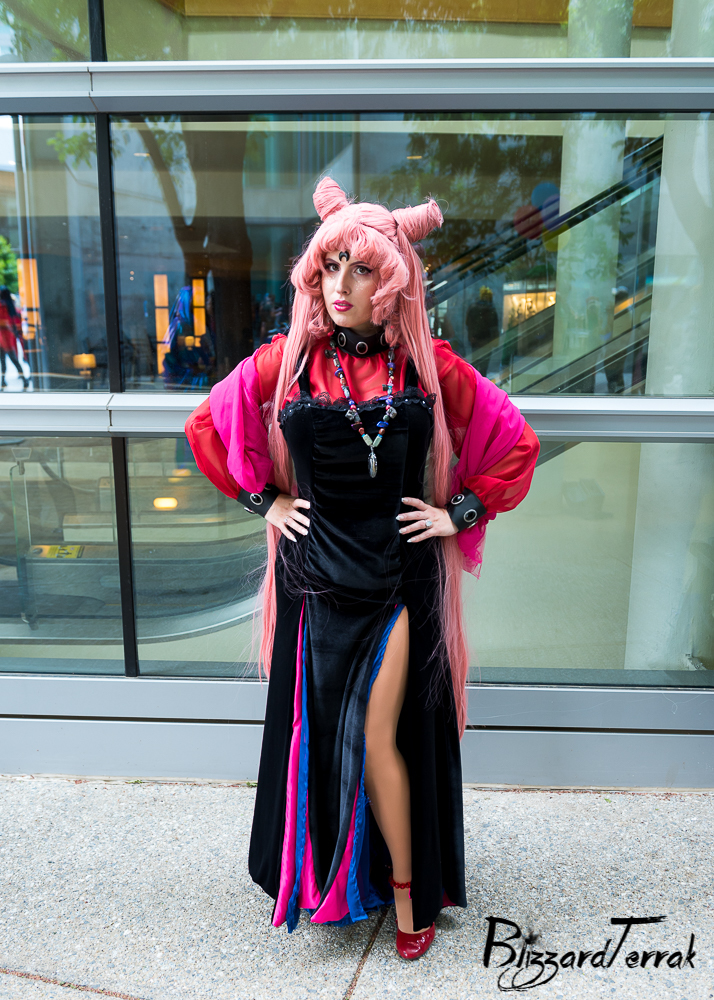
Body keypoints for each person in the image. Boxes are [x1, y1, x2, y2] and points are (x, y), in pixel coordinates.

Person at [185, 178, 539, 960]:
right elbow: (207, 425)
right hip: (315, 589)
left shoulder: (428, 369)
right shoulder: (287, 364)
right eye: (329, 266)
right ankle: (334, 880)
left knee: (380, 737)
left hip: (397, 585)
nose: (339, 285)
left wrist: (459, 513)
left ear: (393, 281)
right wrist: (265, 500)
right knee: (322, 741)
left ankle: (408, 896)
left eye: (361, 268)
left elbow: (516, 444)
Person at [466, 285, 500, 376]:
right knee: (482, 368)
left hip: (478, 341)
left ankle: (476, 382)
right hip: (485, 342)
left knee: (475, 368)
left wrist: (471, 337)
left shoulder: (474, 308)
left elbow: (468, 324)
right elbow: (494, 328)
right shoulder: (491, 310)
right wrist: (495, 342)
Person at [0, 286, 28, 390]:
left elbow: (4, 321)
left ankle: (22, 379)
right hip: (7, 335)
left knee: (8, 360)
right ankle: (4, 381)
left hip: (4, 335)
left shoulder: (2, 305)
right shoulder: (9, 304)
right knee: (8, 360)